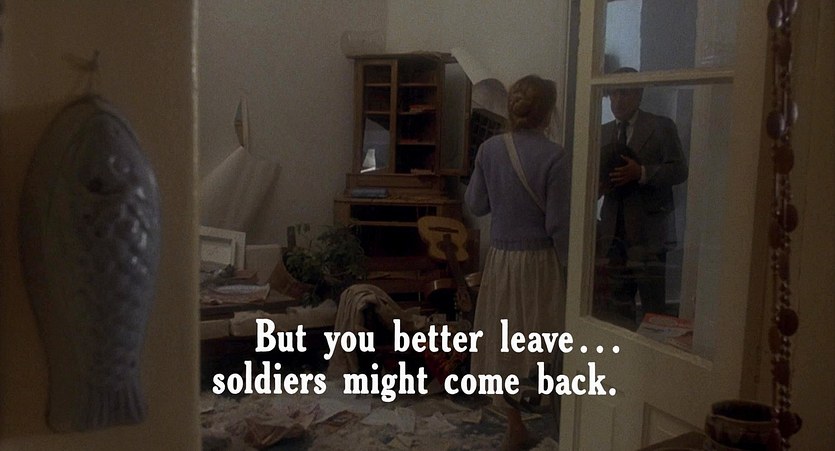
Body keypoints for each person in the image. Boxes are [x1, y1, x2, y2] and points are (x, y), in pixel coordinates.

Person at [465, 74, 571, 384]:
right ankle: (535, 401)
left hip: (500, 260)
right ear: (547, 113)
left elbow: (476, 204)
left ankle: (505, 404)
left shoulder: (488, 149)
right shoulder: (556, 156)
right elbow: (558, 224)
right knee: (538, 338)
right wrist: (570, 270)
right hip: (539, 263)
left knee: (503, 336)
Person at [597, 67, 688, 324]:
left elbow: (680, 170)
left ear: (639, 94)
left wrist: (642, 172)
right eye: (613, 93)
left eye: (624, 93)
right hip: (612, 233)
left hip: (650, 233)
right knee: (617, 306)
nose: (618, 100)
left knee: (654, 307)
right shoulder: (602, 131)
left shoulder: (660, 127)